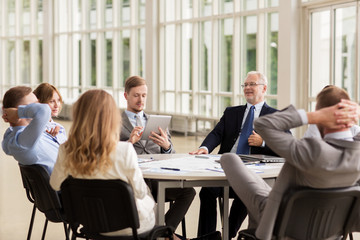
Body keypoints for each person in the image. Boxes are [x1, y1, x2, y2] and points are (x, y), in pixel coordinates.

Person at [221, 86, 360, 240]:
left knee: (229, 158)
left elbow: (262, 124)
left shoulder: (308, 151)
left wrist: (313, 116)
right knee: (266, 187)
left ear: (321, 119)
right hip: (331, 231)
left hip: (279, 222)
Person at [49, 89, 156, 236]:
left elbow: (55, 184)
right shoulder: (124, 150)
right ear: (112, 118)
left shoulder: (66, 149)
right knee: (150, 200)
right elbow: (140, 192)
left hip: (90, 222)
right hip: (128, 226)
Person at [190, 71, 283, 238]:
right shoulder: (232, 112)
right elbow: (216, 133)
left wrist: (263, 142)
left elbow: (286, 143)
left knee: (247, 191)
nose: (247, 88)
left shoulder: (275, 116)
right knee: (207, 192)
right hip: (224, 169)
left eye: (252, 84)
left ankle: (228, 234)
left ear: (264, 88)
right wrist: (205, 147)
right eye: (245, 85)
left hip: (252, 172)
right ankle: (207, 238)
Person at [120, 76, 196, 233]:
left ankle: (164, 232)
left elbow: (172, 155)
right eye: (136, 95)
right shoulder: (115, 122)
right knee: (142, 193)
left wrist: (166, 146)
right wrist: (130, 142)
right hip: (133, 180)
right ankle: (161, 234)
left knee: (188, 191)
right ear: (126, 96)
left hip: (157, 179)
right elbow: (111, 153)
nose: (141, 99)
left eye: (144, 95)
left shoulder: (157, 122)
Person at [2, 86, 58, 174]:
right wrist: (17, 113)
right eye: (34, 105)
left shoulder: (25, 137)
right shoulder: (21, 142)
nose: (39, 106)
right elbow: (44, 110)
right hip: (74, 183)